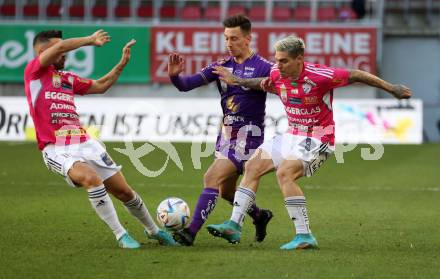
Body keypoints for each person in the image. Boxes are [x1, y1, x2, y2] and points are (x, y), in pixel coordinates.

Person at [206, 35, 412, 249]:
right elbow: (263, 83)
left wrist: (392, 89)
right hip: (291, 134)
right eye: (277, 60)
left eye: (284, 60)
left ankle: (305, 236)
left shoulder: (320, 76)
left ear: (299, 59)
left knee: (285, 173)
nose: (278, 65)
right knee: (252, 165)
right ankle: (234, 225)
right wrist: (237, 80)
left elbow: (356, 74)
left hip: (318, 137)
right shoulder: (277, 73)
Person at [24, 29, 178, 249]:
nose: (65, 52)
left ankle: (154, 231)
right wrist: (89, 40)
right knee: (91, 179)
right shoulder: (34, 72)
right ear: (43, 51)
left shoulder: (66, 78)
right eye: (61, 49)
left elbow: (100, 86)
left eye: (65, 47)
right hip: (57, 149)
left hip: (86, 143)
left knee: (125, 192)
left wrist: (121, 64)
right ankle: (121, 234)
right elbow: (60, 47)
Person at [168, 14, 274, 246]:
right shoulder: (220, 66)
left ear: (248, 39)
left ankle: (190, 232)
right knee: (226, 192)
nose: (229, 43)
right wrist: (175, 76)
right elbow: (186, 85)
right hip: (226, 137)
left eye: (234, 38)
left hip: (248, 137)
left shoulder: (264, 66)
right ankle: (260, 215)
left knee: (211, 177)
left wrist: (240, 81)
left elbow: (281, 86)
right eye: (226, 38)